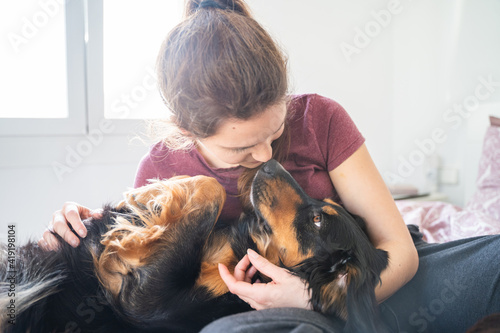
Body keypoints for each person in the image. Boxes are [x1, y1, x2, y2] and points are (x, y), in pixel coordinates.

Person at [40, 1, 499, 332]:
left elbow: (397, 248)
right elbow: (149, 296)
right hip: (256, 317)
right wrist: (78, 239)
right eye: (241, 151)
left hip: (369, 285)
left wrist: (319, 298)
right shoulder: (163, 168)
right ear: (187, 128)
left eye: (274, 133)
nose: (265, 159)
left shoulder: (320, 117)